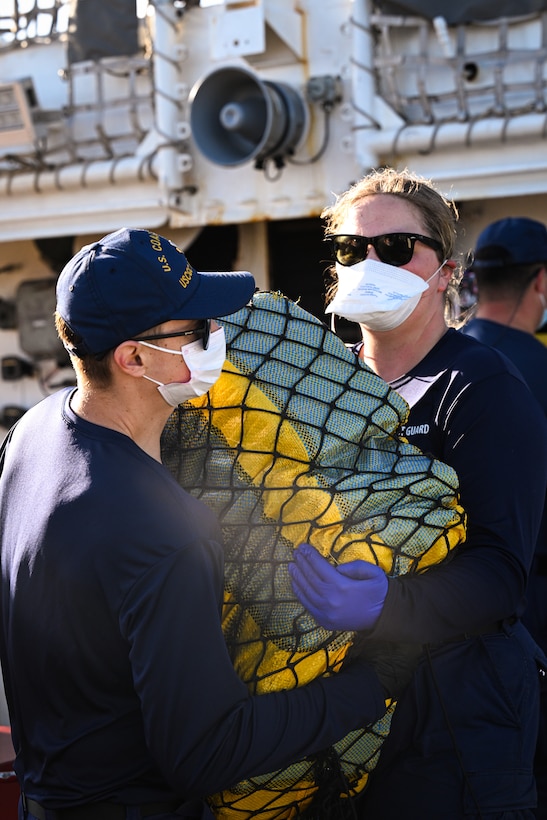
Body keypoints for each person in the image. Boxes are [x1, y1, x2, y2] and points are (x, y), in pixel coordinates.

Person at [0, 227, 413, 820]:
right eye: (195, 330)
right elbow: (207, 750)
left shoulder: (32, 437)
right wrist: (376, 680)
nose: (216, 337)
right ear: (134, 357)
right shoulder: (162, 528)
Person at [288, 169, 547, 818]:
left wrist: (386, 604)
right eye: (351, 250)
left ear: (446, 273)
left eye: (397, 248)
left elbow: (499, 574)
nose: (370, 261)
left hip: (456, 716)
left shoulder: (482, 389)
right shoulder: (321, 386)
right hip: (337, 708)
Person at [461, 216, 547, 819]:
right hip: (530, 603)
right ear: (540, 282)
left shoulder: (444, 364)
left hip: (432, 613)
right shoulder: (533, 369)